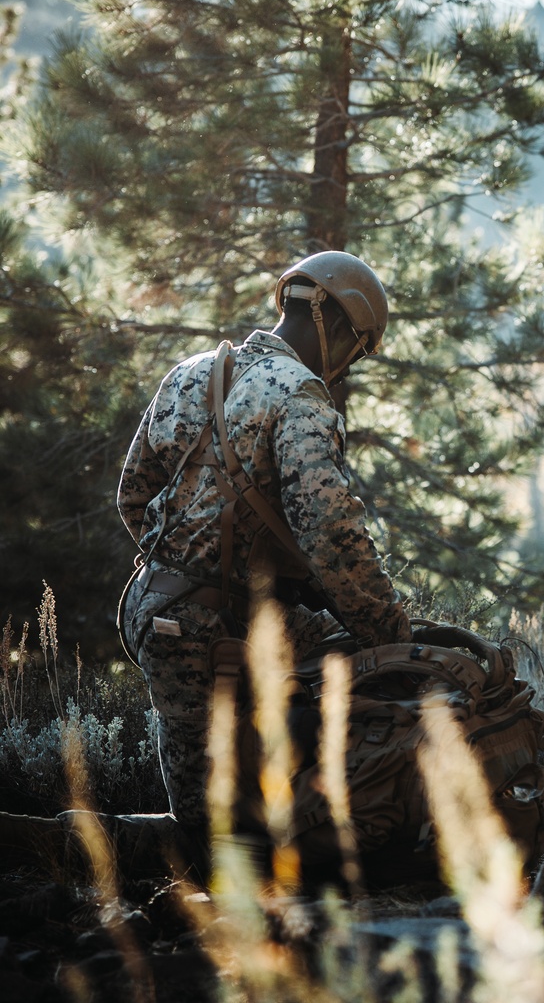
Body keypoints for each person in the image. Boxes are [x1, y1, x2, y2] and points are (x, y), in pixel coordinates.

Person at [118, 252, 411, 874]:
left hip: (156, 609)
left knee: (215, 810)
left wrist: (193, 568)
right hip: (207, 632)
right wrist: (386, 630)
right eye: (357, 347)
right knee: (209, 840)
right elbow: (332, 533)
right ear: (331, 319)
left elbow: (133, 496)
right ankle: (59, 853)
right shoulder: (301, 395)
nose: (350, 365)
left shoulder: (191, 372)